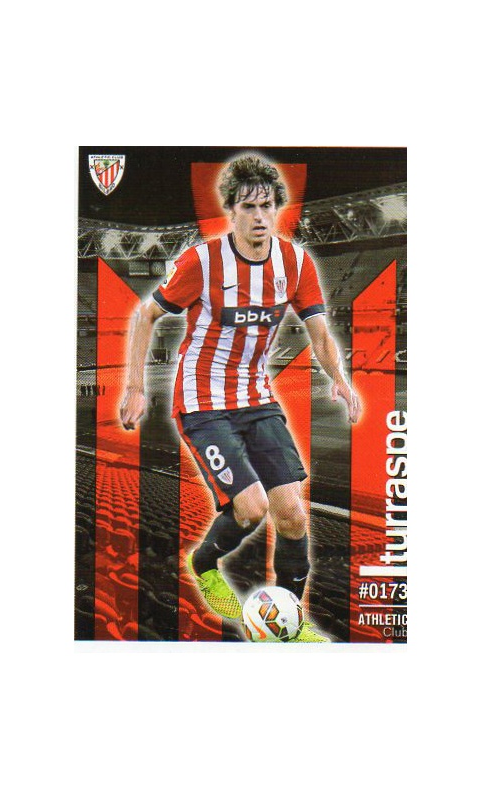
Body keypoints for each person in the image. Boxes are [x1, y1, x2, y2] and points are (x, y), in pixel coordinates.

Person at [120, 155, 361, 642]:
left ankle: (290, 625)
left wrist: (339, 377)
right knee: (250, 508)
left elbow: (319, 332)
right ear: (230, 211)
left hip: (256, 396)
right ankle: (203, 563)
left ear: (277, 209)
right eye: (247, 206)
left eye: (266, 205)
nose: (258, 215)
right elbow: (146, 315)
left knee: (292, 514)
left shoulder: (295, 263)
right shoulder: (203, 262)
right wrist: (135, 387)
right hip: (203, 400)